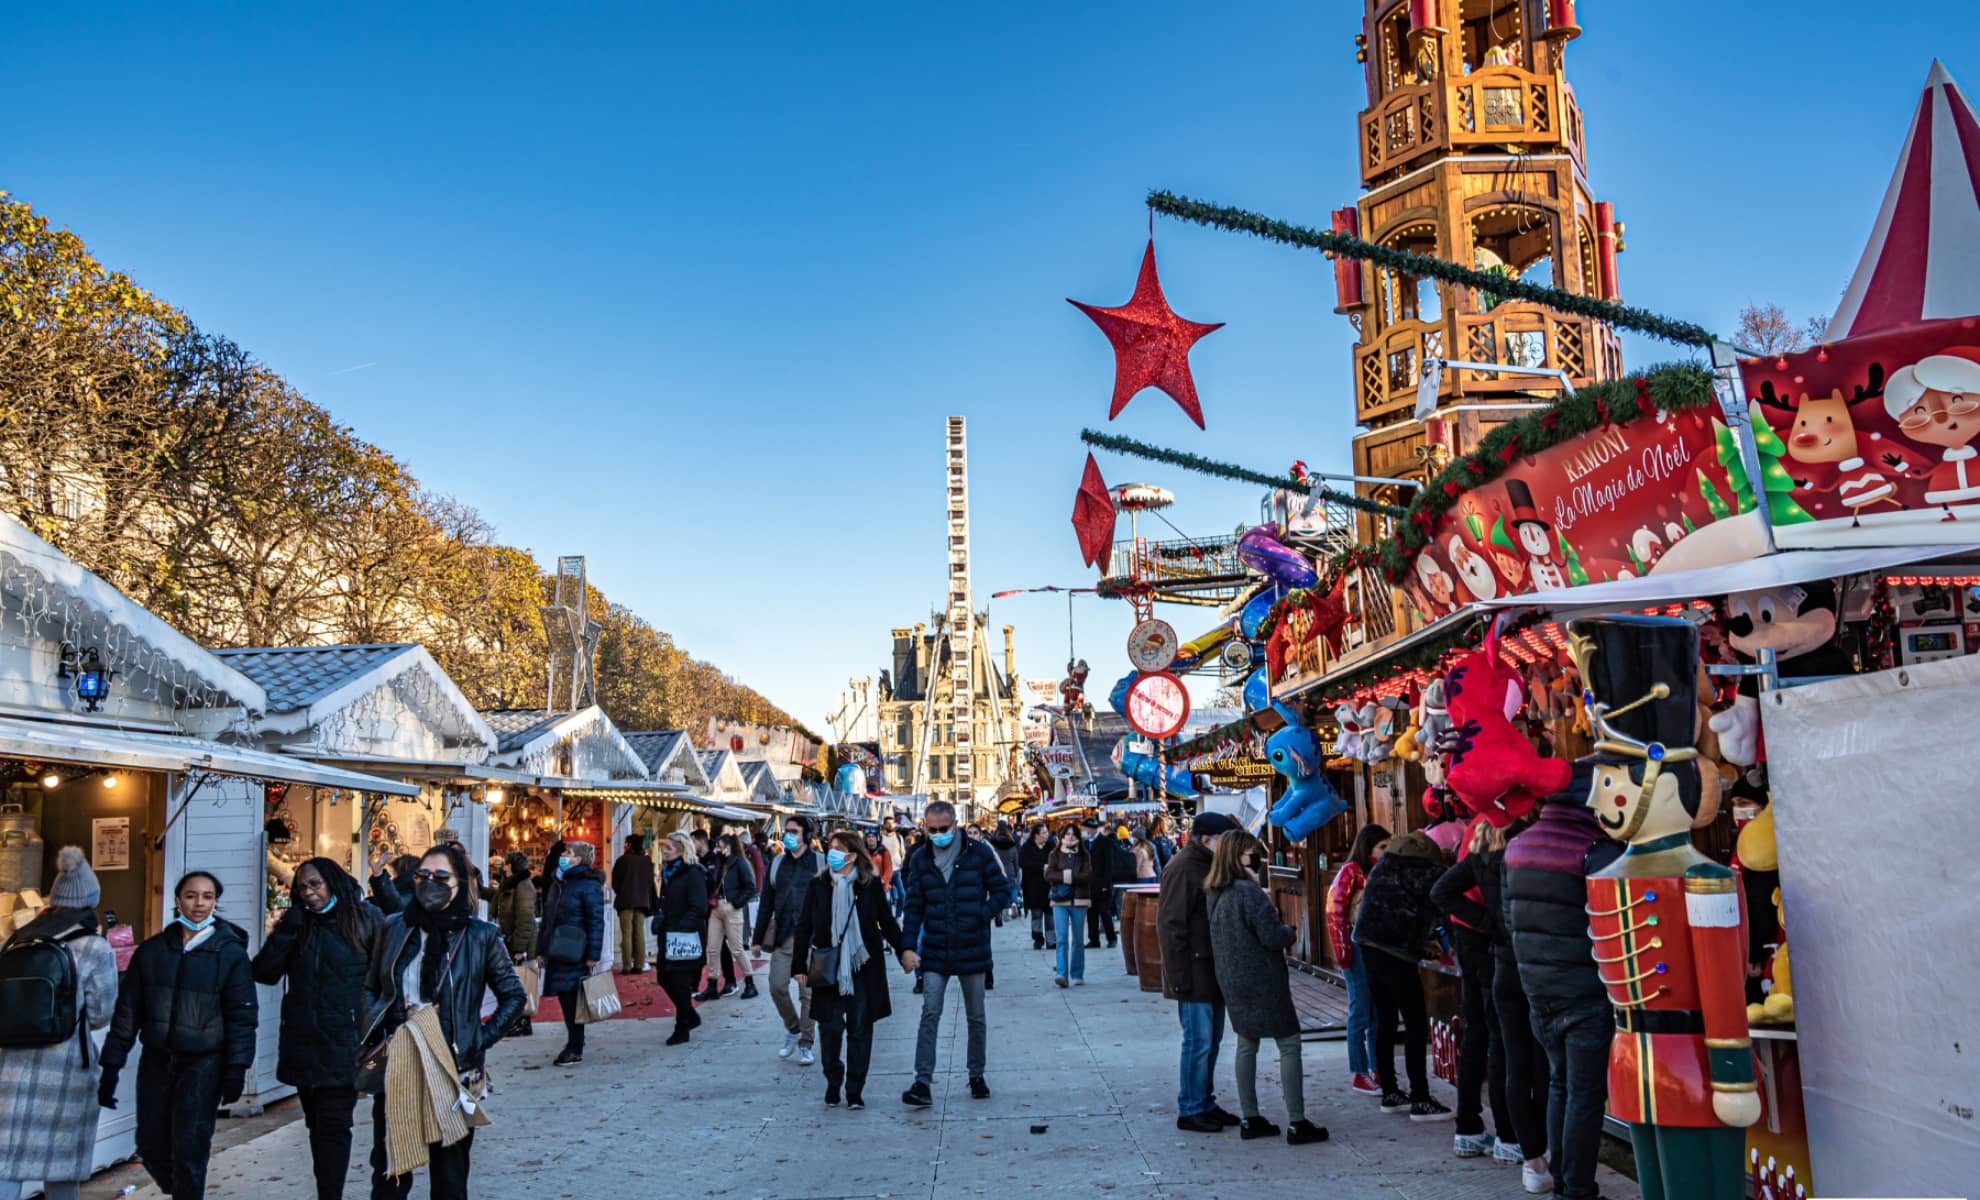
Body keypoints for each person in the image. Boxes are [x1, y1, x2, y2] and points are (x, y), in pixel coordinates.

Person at [363, 844, 526, 1200]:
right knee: (390, 1169)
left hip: (453, 1068)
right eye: (422, 876)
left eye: (440, 876)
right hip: (399, 1062)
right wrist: (375, 1027)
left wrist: (477, 1039)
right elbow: (372, 986)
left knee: (449, 1174)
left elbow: (515, 997)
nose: (429, 883)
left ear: (460, 882)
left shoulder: (481, 935)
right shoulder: (395, 927)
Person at [98, 869, 257, 1199]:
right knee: (151, 1145)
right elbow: (127, 1013)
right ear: (177, 900)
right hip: (157, 1062)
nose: (199, 904)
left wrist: (236, 1069)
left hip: (204, 1065)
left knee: (190, 1148)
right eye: (191, 895)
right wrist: (111, 1066)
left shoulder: (230, 953)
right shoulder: (153, 952)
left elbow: (242, 1016)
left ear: (215, 902)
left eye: (207, 897)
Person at [1506, 766, 1620, 1199]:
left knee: (1559, 1084)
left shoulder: (1517, 847)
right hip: (1585, 992)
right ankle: (1578, 1189)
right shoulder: (1596, 849)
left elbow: (1508, 918)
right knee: (1585, 1095)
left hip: (1538, 990)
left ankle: (1563, 1183)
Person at [251, 858, 381, 1200]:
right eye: (303, 888)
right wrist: (288, 930)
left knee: (334, 1126)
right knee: (317, 1126)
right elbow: (264, 972)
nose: (309, 893)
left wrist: (377, 1032)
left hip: (347, 1042)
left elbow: (388, 973)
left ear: (332, 882)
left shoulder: (364, 918)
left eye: (315, 884)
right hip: (304, 1041)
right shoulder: (298, 925)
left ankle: (330, 1195)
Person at [0, 847, 117, 1200]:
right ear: (90, 900)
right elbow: (100, 1013)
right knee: (64, 1163)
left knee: (6, 1160)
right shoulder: (94, 946)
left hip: (9, 1066)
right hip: (67, 1066)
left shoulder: (17, 941)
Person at [1435, 817, 1545, 1175]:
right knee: (1505, 1044)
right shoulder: (1518, 847)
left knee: (1481, 1035)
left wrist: (1482, 922)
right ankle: (1510, 1136)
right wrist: (1488, 924)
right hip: (1499, 952)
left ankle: (1473, 1127)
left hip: (1480, 946)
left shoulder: (1479, 842)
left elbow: (1442, 891)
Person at [1204, 831, 1328, 1146]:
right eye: (1252, 852)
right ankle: (1298, 1122)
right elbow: (1271, 936)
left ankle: (1250, 1117)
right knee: (1289, 1045)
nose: (1257, 858)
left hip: (1232, 979)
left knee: (1247, 1045)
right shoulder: (1249, 892)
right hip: (1263, 980)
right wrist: (1289, 931)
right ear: (1238, 857)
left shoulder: (1215, 893)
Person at [898, 800, 1012, 1107]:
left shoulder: (978, 853)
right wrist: (907, 947)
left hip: (971, 946)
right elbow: (913, 907)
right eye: (931, 829)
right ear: (924, 826)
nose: (937, 834)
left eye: (943, 829)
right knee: (930, 1012)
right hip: (935, 949)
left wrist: (982, 913)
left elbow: (1003, 890)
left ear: (955, 824)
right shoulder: (921, 858)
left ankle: (977, 1074)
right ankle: (922, 1081)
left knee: (976, 1015)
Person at [791, 831, 905, 1110]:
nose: (832, 854)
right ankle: (833, 1079)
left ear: (853, 856)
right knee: (830, 1029)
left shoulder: (869, 885)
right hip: (828, 966)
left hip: (863, 965)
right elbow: (804, 925)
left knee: (860, 1030)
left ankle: (855, 1089)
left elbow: (886, 922)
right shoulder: (818, 885)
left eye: (838, 849)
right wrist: (798, 966)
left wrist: (904, 950)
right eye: (830, 849)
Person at [1352, 829, 1453, 1121]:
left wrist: (1420, 943)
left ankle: (1391, 1093)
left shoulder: (1386, 865)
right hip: (1394, 951)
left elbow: (1396, 909)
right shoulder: (1426, 871)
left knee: (1385, 1019)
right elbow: (1443, 908)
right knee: (1415, 1022)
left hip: (1368, 943)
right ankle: (1420, 1098)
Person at [1158, 811, 1241, 1134]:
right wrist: (1178, 977)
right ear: (1207, 840)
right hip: (1192, 970)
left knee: (1212, 1040)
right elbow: (1170, 924)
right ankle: (1190, 1107)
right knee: (1199, 1041)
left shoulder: (1207, 864)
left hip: (1210, 967)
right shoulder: (1183, 868)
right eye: (1224, 841)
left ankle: (1204, 1100)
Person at [1326, 824, 1390, 1097]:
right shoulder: (1351, 872)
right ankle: (1360, 1071)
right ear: (1368, 847)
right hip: (1357, 945)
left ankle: (1376, 1067)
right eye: (1382, 847)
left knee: (1377, 1011)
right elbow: (1335, 911)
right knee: (1361, 1010)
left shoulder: (1380, 871)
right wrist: (1342, 951)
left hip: (1376, 946)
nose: (1386, 852)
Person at [754, 815, 821, 1064]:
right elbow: (766, 903)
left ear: (806, 835)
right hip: (783, 936)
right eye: (787, 831)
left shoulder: (820, 862)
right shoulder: (777, 863)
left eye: (794, 831)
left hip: (811, 939)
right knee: (776, 987)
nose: (788, 835)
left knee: (808, 995)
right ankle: (793, 1028)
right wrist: (757, 938)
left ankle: (806, 1042)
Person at [539, 841, 605, 1067]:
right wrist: (542, 949)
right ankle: (574, 1043)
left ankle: (575, 1046)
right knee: (565, 997)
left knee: (571, 998)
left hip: (575, 949)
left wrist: (593, 954)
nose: (563, 857)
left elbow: (596, 921)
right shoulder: (559, 882)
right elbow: (548, 918)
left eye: (568, 853)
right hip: (558, 948)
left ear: (578, 859)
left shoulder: (588, 885)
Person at [651, 831, 709, 1045]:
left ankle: (682, 1025)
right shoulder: (669, 873)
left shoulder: (692, 873)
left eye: (668, 848)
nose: (664, 852)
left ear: (681, 851)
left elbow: (699, 907)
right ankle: (690, 1016)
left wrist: (680, 926)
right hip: (669, 936)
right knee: (664, 977)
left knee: (680, 981)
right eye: (664, 848)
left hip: (686, 937)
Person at [702, 832, 759, 1002]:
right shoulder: (720, 863)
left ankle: (750, 982)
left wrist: (735, 904)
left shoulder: (740, 863)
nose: (717, 849)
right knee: (712, 948)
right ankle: (712, 983)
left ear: (729, 847)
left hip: (731, 908)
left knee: (736, 949)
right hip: (716, 908)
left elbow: (750, 887)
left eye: (720, 846)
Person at [1044, 823, 1090, 987]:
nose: (1070, 837)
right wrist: (1067, 876)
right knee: (1062, 937)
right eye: (1067, 834)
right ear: (1062, 837)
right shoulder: (1054, 855)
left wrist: (1068, 877)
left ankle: (1077, 973)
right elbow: (1049, 874)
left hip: (1079, 901)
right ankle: (1061, 974)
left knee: (1078, 939)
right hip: (1060, 901)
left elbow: (1087, 875)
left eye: (1073, 834)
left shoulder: (1084, 855)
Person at [610, 835, 656, 975]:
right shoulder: (646, 861)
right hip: (641, 901)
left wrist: (622, 890)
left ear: (629, 844)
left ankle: (626, 965)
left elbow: (615, 882)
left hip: (625, 900)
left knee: (627, 934)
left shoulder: (622, 860)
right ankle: (639, 964)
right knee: (639, 933)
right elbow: (650, 882)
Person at [1017, 822, 1055, 950]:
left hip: (1049, 886)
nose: (1046, 835)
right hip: (1032, 886)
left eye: (1046, 832)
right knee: (1036, 914)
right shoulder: (1027, 847)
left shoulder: (1051, 846)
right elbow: (1022, 862)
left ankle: (1051, 940)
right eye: (1043, 833)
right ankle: (1038, 938)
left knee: (1050, 915)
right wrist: (1041, 867)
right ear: (1036, 835)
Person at [1081, 817, 1119, 949]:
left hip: (1102, 884)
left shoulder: (1105, 842)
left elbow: (1109, 866)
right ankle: (1094, 939)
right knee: (1091, 914)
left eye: (1085, 828)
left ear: (1091, 829)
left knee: (1105, 912)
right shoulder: (1085, 843)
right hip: (1089, 885)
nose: (1083, 831)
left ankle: (1111, 938)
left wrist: (1106, 885)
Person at [878, 815, 908, 914]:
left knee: (902, 894)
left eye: (892, 823)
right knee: (887, 898)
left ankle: (899, 915)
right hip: (885, 872)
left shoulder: (899, 837)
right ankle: (890, 917)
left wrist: (902, 862)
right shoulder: (880, 838)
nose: (890, 825)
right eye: (888, 823)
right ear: (884, 825)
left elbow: (902, 852)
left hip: (896, 871)